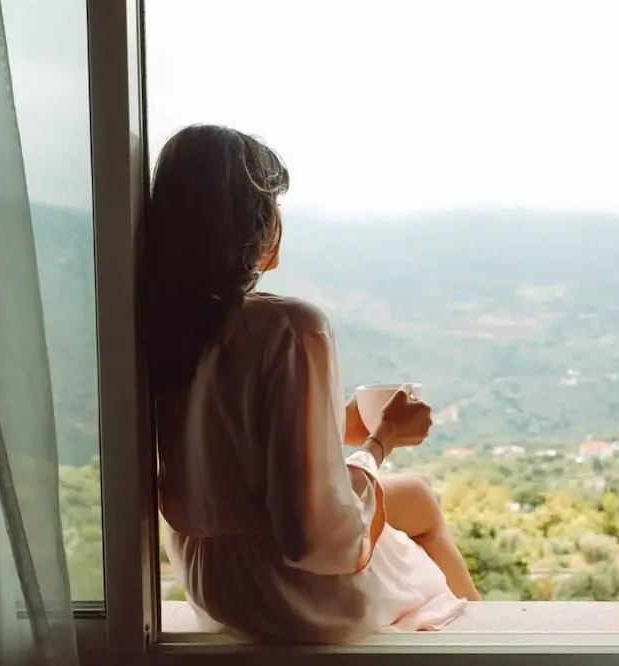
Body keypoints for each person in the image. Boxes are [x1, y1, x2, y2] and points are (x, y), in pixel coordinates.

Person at [137, 125, 480, 645]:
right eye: (272, 204)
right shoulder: (293, 328)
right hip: (291, 592)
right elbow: (318, 536)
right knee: (421, 516)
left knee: (414, 496)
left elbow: (227, 444)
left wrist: (333, 423)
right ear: (252, 222)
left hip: (212, 579)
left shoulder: (164, 324)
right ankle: (487, 640)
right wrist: (381, 439)